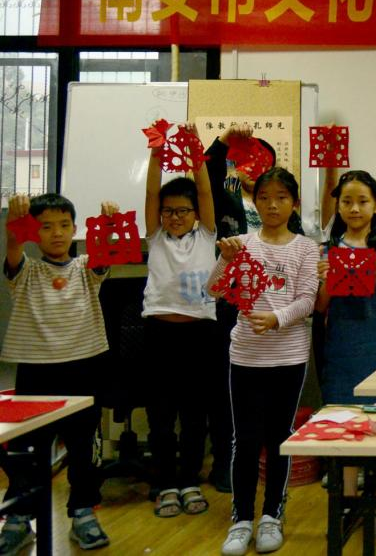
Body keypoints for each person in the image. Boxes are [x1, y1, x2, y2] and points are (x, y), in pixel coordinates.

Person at [208, 168, 318, 556]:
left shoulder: (306, 248)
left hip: (289, 355)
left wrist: (277, 318)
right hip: (246, 355)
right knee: (245, 439)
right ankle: (241, 519)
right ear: (255, 202)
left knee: (279, 437)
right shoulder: (241, 243)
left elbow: (307, 300)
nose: (273, 205)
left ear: (294, 203)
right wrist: (225, 261)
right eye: (265, 197)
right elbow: (214, 290)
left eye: (282, 197)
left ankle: (272, 514)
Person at [0, 194, 115, 551]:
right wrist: (15, 225)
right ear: (33, 233)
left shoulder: (85, 267)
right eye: (46, 227)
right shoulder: (27, 271)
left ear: (75, 229)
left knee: (82, 448)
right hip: (36, 372)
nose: (57, 233)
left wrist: (108, 226)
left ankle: (82, 512)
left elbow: (103, 255)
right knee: (24, 450)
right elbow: (14, 247)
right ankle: (18, 518)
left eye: (64, 225)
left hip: (83, 368)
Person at [315, 171, 376, 539]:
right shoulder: (326, 250)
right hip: (339, 348)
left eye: (363, 201)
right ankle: (347, 501)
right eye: (347, 202)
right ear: (337, 206)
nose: (355, 208)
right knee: (343, 425)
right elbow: (320, 307)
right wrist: (324, 281)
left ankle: (375, 503)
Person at [141, 131, 219, 520]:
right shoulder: (156, 238)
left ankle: (189, 480)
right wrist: (157, 153)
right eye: (168, 211)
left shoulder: (207, 235)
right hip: (159, 335)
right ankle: (165, 483)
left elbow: (204, 191)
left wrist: (196, 154)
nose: (174, 216)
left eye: (182, 210)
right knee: (160, 415)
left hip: (199, 335)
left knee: (193, 415)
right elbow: (151, 192)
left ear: (195, 213)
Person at [203, 123, 280, 493]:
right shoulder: (226, 197)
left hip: (271, 307)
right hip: (231, 306)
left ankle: (265, 461)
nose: (253, 168)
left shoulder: (280, 208)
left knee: (267, 389)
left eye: (260, 161)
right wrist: (224, 141)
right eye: (245, 159)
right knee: (227, 387)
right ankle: (224, 463)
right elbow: (207, 171)